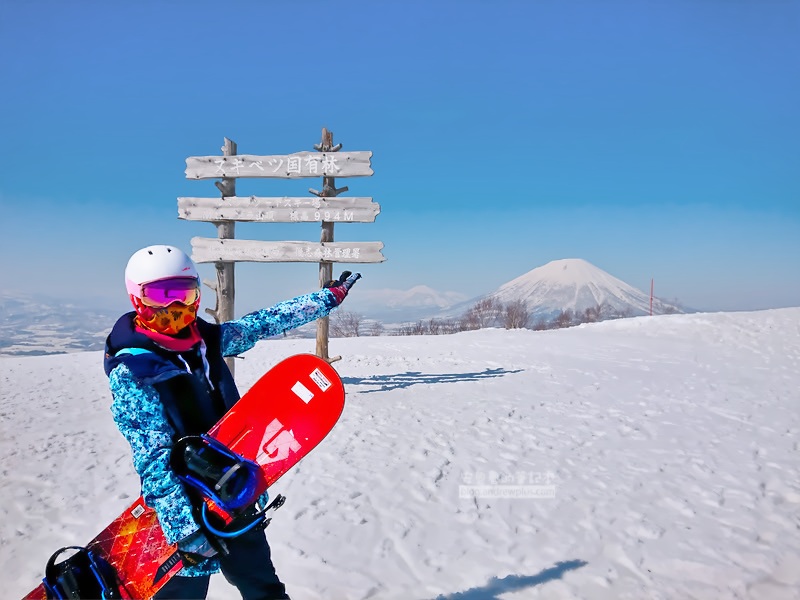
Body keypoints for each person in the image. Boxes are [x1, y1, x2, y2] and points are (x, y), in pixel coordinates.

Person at [103, 244, 360, 600]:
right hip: (187, 511)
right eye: (161, 297)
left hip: (233, 488)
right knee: (184, 595)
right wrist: (185, 531)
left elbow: (263, 322)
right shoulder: (134, 370)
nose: (174, 309)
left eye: (184, 294)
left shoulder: (205, 340)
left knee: (263, 588)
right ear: (138, 299)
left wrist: (325, 299)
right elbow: (152, 456)